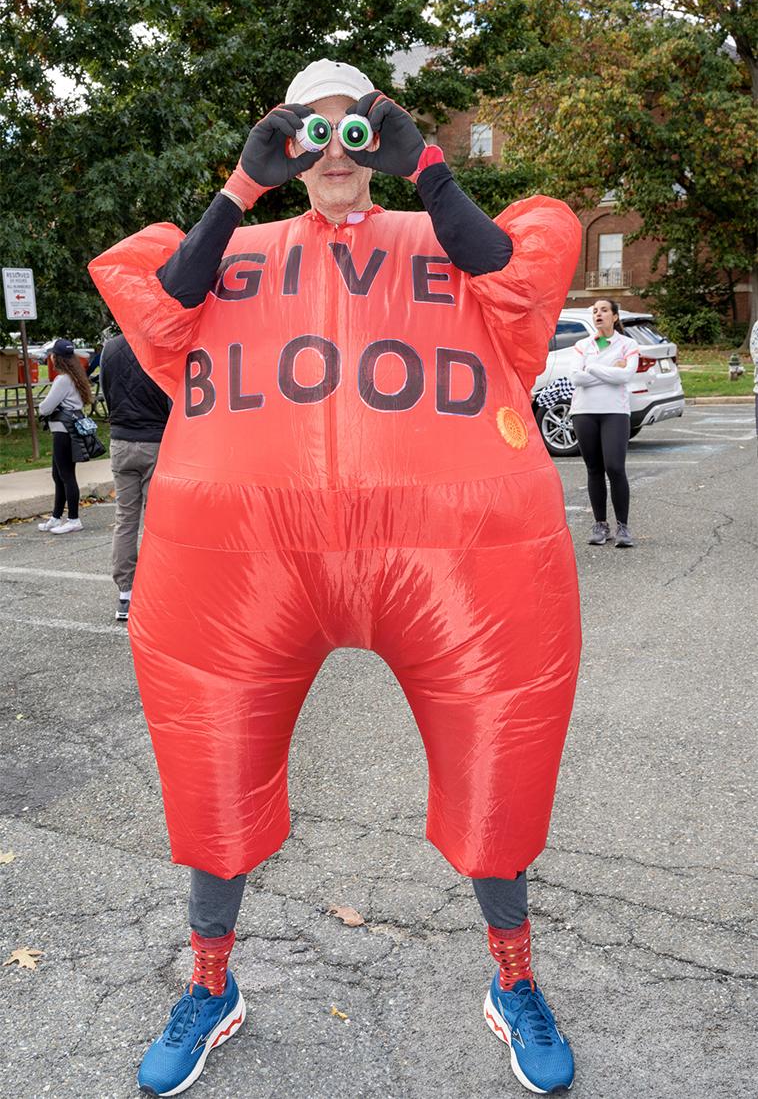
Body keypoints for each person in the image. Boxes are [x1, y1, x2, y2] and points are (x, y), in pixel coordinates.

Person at [89, 59, 583, 1097]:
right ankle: (209, 985)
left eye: (352, 129)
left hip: (449, 558)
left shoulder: (444, 241)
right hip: (249, 563)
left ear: (381, 137)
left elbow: (522, 284)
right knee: (213, 775)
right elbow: (160, 316)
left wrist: (429, 168)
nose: (330, 152)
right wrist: (241, 185)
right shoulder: (235, 252)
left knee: (498, 770)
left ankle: (515, 978)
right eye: (306, 134)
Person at [100, 331, 171, 621]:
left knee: (125, 519)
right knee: (156, 519)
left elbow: (106, 391)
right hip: (155, 440)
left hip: (121, 440)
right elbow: (170, 396)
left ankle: (125, 593)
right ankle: (157, 588)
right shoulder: (159, 347)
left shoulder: (110, 349)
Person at [568, 298, 640, 547]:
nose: (598, 314)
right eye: (595, 311)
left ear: (615, 316)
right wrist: (609, 369)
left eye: (604, 310)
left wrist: (592, 368)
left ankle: (623, 527)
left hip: (615, 412)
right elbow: (576, 378)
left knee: (615, 467)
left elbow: (626, 375)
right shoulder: (582, 345)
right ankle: (601, 525)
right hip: (584, 411)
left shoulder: (628, 345)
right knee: (594, 469)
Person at [37, 338, 92, 535]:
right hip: (68, 430)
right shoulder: (75, 376)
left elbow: (45, 408)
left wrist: (41, 406)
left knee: (66, 476)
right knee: (58, 475)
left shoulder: (62, 380)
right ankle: (56, 517)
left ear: (56, 358)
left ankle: (74, 519)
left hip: (63, 432)